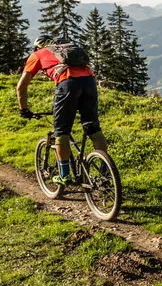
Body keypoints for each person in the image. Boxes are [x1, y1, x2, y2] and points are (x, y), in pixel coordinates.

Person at [16, 34, 108, 184]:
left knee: (61, 132)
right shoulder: (67, 49)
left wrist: (24, 109)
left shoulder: (38, 54)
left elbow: (22, 86)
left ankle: (64, 175)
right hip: (90, 82)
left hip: (67, 83)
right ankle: (105, 172)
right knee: (93, 129)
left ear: (37, 47)